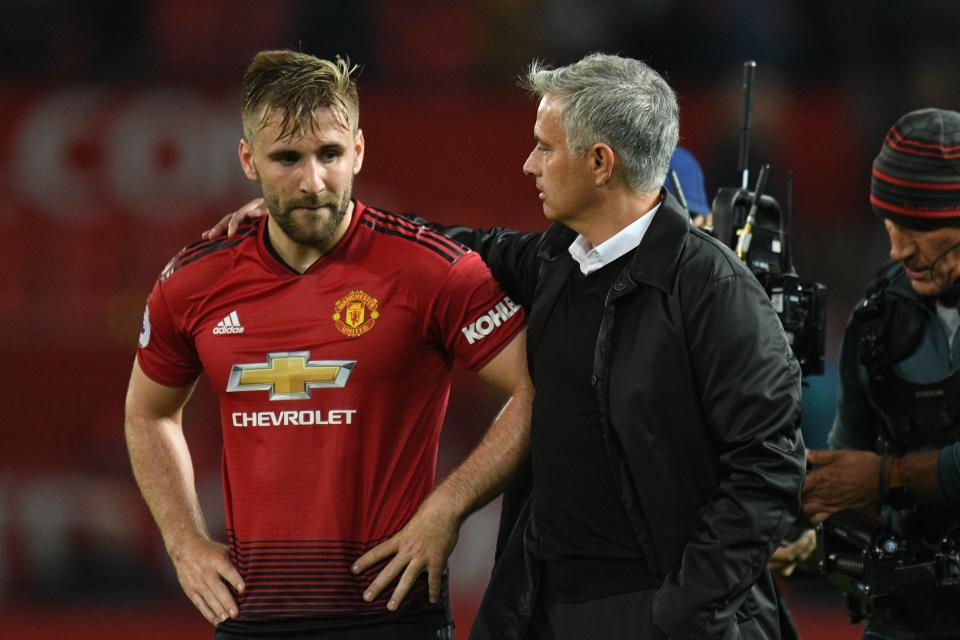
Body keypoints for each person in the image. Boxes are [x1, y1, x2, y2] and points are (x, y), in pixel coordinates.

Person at [208, 53, 806, 640]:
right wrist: (319, 214)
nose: (529, 164)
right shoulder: (555, 260)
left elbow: (769, 469)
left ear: (601, 162)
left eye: (546, 147)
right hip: (551, 609)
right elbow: (441, 250)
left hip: (663, 614)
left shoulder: (716, 291)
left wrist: (683, 614)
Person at [124, 49, 534, 640]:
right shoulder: (192, 283)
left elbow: (539, 388)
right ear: (248, 160)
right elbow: (147, 411)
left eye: (330, 155)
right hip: (251, 619)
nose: (312, 182)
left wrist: (447, 509)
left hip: (394, 618)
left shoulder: (431, 270)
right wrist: (183, 540)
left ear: (359, 151)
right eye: (287, 158)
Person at [801, 108, 960, 640]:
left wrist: (885, 477)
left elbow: (871, 474)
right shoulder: (877, 319)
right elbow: (850, 466)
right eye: (888, 223)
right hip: (909, 620)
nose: (897, 248)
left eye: (917, 226)